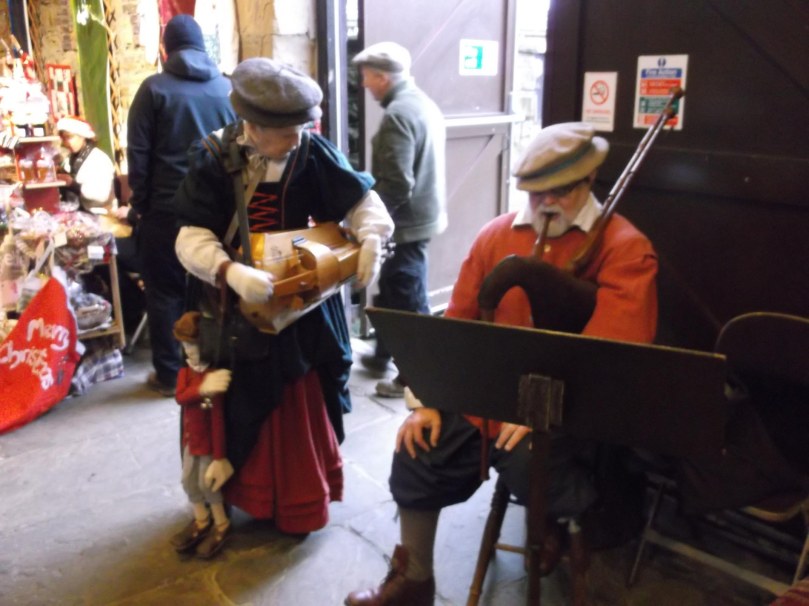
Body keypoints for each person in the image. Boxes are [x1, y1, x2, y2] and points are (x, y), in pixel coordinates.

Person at [345, 122, 659, 605]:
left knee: (535, 465)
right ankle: (415, 579)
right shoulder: (497, 236)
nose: (544, 204)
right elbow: (455, 327)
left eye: (558, 192)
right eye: (535, 193)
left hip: (568, 408)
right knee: (416, 448)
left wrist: (544, 409)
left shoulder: (624, 248)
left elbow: (615, 355)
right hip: (484, 401)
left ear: (588, 184)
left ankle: (553, 525)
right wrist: (427, 398)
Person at [173, 57, 394, 534]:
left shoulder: (310, 150)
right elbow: (189, 237)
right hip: (234, 308)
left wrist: (373, 236)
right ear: (251, 126)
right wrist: (230, 271)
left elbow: (361, 203)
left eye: (302, 126)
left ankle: (299, 501)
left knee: (301, 394)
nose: (298, 138)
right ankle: (242, 493)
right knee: (238, 399)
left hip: (303, 303)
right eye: (285, 130)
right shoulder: (213, 158)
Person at [127, 14, 236, 397]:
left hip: (166, 210)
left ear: (165, 49)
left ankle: (171, 372)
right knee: (216, 286)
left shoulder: (153, 90)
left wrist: (141, 204)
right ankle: (218, 362)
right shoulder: (227, 87)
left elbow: (138, 154)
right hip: (218, 212)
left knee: (165, 293)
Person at [351, 41, 447, 398]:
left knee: (408, 300)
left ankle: (418, 379)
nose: (363, 85)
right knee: (393, 289)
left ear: (383, 77)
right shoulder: (421, 103)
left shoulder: (398, 116)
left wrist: (366, 223)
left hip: (405, 226)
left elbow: (395, 184)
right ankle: (381, 353)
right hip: (419, 219)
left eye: (366, 78)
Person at [169, 311, 234, 559]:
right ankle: (201, 519)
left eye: (194, 344)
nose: (189, 351)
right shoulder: (186, 374)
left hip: (208, 445)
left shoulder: (213, 375)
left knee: (209, 485)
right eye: (185, 345)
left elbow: (217, 420)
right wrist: (202, 389)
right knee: (188, 481)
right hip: (190, 441)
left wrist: (220, 456)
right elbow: (181, 397)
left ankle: (221, 524)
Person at [55, 116, 117, 214]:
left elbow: (101, 195)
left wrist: (73, 184)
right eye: (64, 139)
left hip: (100, 216)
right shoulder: (70, 158)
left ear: (82, 136)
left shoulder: (99, 159)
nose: (66, 143)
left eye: (70, 137)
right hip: (79, 213)